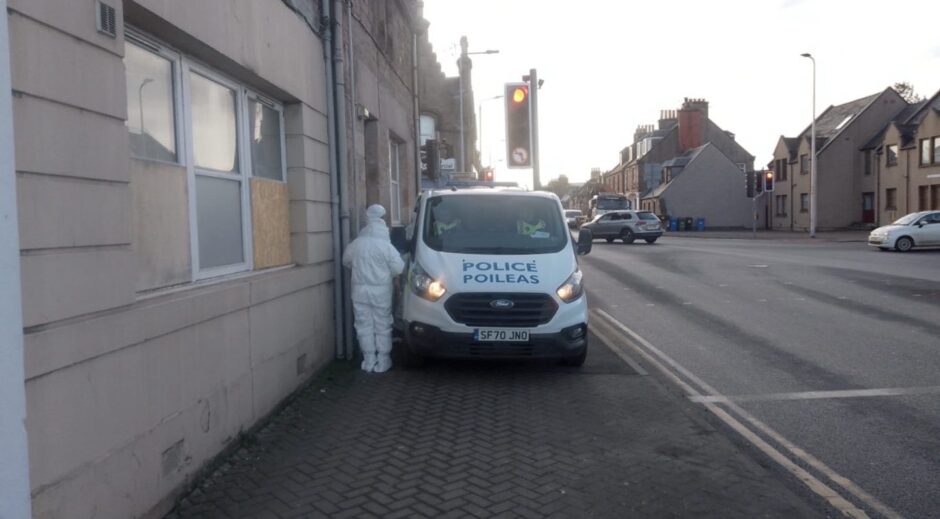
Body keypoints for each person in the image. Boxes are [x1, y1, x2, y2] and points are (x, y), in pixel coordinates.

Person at [342, 204, 405, 373]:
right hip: (381, 292)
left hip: (359, 291)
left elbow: (346, 261)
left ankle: (368, 360)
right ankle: (383, 360)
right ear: (382, 221)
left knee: (363, 324)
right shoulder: (386, 246)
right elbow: (399, 268)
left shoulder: (357, 244)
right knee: (382, 324)